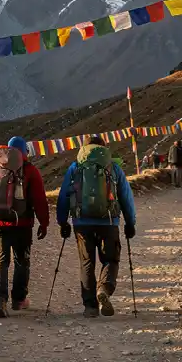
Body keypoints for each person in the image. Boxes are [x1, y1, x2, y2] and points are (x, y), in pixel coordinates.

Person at [56, 136, 137, 318]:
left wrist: (63, 222)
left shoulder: (75, 167)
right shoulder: (113, 167)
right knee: (110, 259)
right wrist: (130, 222)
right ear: (104, 148)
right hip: (108, 222)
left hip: (81, 223)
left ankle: (90, 307)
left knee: (87, 262)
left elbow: (64, 196)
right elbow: (125, 196)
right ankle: (104, 289)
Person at [0, 136, 49, 318]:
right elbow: (39, 200)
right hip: (22, 224)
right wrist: (44, 223)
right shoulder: (30, 170)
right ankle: (19, 300)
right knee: (21, 261)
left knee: (0, 261)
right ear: (25, 152)